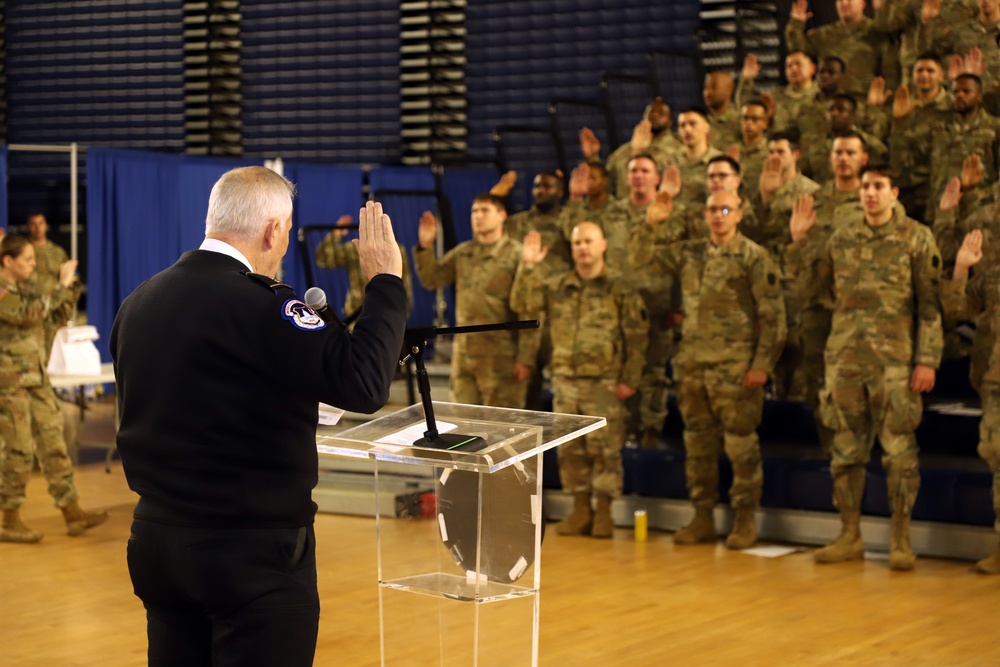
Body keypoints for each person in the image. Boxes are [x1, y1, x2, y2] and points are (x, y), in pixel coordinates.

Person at [110, 166, 408, 666]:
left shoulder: (139, 301)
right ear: (273, 230)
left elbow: (208, 393)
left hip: (157, 543)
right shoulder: (264, 305)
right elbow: (365, 382)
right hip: (247, 553)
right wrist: (384, 282)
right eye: (288, 233)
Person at [789, 165, 943, 571]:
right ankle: (849, 534)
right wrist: (800, 243)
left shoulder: (917, 237)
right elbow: (813, 292)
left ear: (894, 192)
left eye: (878, 187)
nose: (870, 194)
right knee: (844, 452)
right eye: (865, 187)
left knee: (899, 455)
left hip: (894, 364)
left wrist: (927, 359)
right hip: (846, 361)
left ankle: (900, 540)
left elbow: (930, 306)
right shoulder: (842, 239)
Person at [642, 190, 786, 549]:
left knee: (741, 448)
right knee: (698, 446)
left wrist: (762, 366)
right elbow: (644, 261)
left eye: (725, 209)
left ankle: (744, 519)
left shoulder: (753, 257)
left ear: (739, 215)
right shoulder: (691, 253)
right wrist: (653, 225)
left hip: (736, 370)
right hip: (693, 368)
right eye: (711, 209)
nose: (718, 215)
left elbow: (773, 318)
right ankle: (702, 515)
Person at [511, 223, 648, 538]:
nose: (582, 247)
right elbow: (523, 304)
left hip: (605, 382)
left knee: (605, 450)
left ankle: (604, 512)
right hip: (566, 379)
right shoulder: (559, 286)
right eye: (577, 243)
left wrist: (630, 378)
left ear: (603, 246)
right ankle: (581, 509)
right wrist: (528, 267)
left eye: (588, 241)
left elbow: (638, 337)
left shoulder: (620, 288)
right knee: (571, 451)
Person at [0, 234, 108, 543]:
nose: (34, 264)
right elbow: (29, 313)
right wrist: (58, 286)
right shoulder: (3, 290)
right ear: (8, 261)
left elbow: (55, 317)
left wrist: (70, 287)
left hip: (35, 377)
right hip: (9, 384)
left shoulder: (29, 288)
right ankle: (8, 519)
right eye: (28, 259)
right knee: (18, 452)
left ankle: (72, 512)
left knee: (53, 445)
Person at [413, 194, 533, 408]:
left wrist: (525, 359)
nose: (478, 216)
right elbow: (432, 279)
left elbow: (529, 311)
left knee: (503, 427)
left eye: (484, 210)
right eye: (474, 211)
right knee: (465, 424)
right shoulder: (463, 253)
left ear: (502, 215)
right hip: (465, 357)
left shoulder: (517, 255)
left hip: (501, 357)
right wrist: (425, 247)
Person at [943, 230, 1000, 573]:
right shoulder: (993, 279)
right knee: (997, 457)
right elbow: (955, 311)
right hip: (996, 380)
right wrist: (962, 269)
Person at [785, 0, 899, 99]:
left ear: (862, 3)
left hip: (863, 100)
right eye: (839, 0)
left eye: (849, 0)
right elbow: (799, 53)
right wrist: (796, 24)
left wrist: (885, 98)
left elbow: (890, 72)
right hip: (829, 102)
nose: (844, 3)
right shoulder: (825, 34)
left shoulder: (876, 33)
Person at [313, 212, 413, 324]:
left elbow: (405, 288)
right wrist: (336, 234)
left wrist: (399, 317)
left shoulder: (396, 251)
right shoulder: (356, 249)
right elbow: (322, 258)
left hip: (388, 320)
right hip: (356, 320)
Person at [25, 212, 79, 357]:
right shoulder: (24, 252)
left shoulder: (57, 252)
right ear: (28, 227)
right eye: (33, 224)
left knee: (56, 356)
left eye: (40, 223)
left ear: (46, 226)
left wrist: (65, 312)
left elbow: (70, 283)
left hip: (53, 312)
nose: (37, 228)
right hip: (31, 311)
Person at [736, 51, 819, 134]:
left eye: (798, 64)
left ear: (813, 68)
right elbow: (747, 109)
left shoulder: (821, 95)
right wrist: (746, 80)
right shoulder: (774, 97)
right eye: (789, 66)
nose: (793, 68)